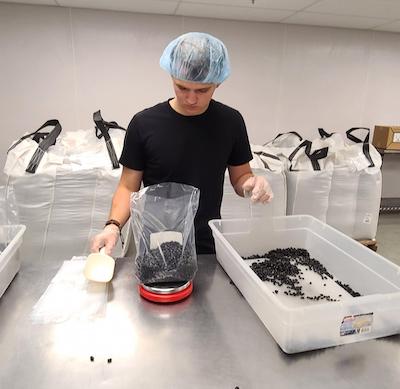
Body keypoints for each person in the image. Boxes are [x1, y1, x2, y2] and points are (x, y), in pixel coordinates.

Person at [91, 32, 273, 255]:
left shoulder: (231, 122)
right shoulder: (144, 124)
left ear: (218, 82)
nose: (191, 98)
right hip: (156, 244)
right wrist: (113, 226)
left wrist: (252, 184)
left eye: (202, 90)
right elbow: (128, 186)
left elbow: (240, 177)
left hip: (206, 243)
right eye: (182, 88)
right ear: (171, 77)